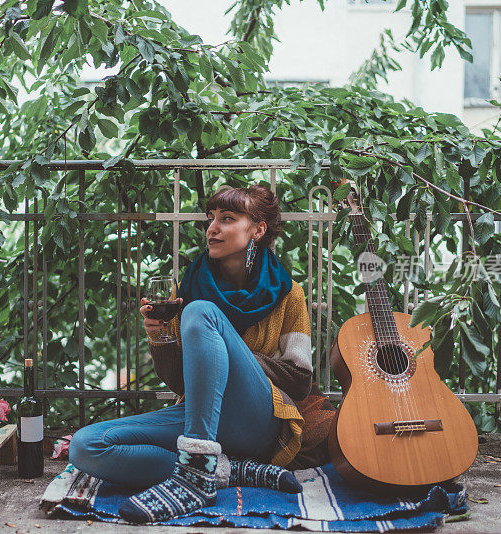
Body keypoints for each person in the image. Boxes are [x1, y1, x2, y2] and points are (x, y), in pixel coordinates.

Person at [69, 185, 319, 523]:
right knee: (87, 446)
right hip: (198, 418)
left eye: (227, 219)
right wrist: (160, 338)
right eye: (210, 218)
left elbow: (301, 380)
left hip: (259, 420)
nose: (212, 228)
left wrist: (227, 354)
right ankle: (226, 471)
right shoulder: (186, 290)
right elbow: (178, 381)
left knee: (201, 313)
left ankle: (196, 475)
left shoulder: (289, 295)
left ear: (258, 230)